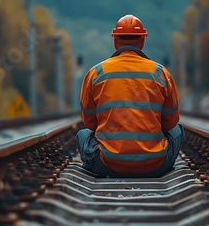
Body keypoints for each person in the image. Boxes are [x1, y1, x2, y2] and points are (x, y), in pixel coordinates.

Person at [75, 14, 184, 178]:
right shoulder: (161, 73)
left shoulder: (96, 73)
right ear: (142, 41)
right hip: (155, 166)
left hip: (108, 165)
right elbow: (170, 123)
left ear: (115, 41)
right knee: (177, 130)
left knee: (82, 135)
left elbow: (90, 122)